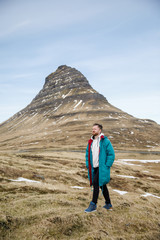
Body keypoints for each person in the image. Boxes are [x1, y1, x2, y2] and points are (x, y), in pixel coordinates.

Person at [85, 123, 115, 213]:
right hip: (94, 167)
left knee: (96, 183)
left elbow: (111, 154)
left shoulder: (105, 141)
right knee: (102, 185)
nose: (93, 130)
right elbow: (87, 154)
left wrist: (106, 166)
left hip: (102, 167)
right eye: (92, 129)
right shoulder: (90, 141)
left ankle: (93, 204)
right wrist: (88, 165)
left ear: (100, 130)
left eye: (95, 129)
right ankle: (108, 204)